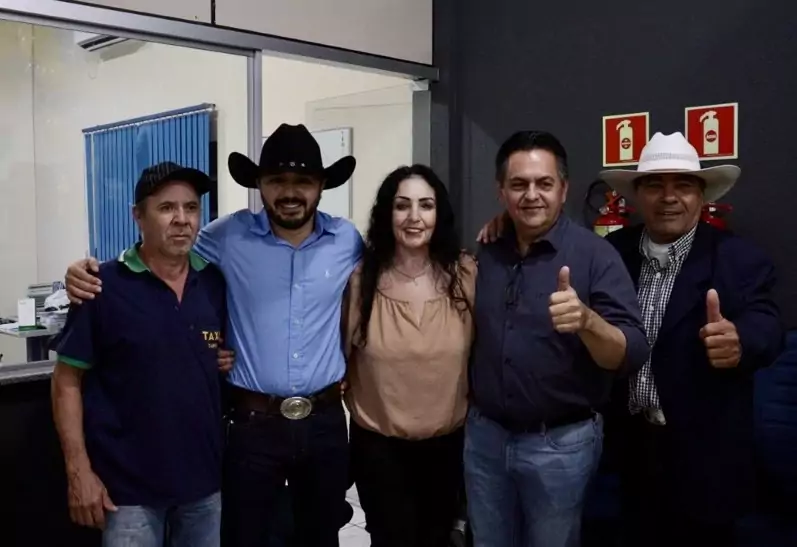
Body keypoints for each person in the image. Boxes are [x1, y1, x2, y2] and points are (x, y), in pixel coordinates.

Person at [62, 124, 362, 547]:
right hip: (253, 426)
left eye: (303, 182)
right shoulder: (225, 237)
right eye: (277, 180)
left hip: (326, 422)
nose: (290, 192)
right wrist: (83, 274)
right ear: (259, 185)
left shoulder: (347, 240)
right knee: (244, 536)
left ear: (321, 186)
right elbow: (159, 253)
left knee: (321, 535)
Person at [597, 132, 782, 547]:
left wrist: (742, 340)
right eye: (654, 186)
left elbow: (767, 323)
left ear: (701, 196)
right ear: (636, 195)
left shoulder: (739, 258)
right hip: (631, 453)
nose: (668, 198)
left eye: (682, 185)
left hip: (706, 459)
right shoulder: (613, 252)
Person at [466, 130, 649, 547]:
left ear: (563, 189)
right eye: (519, 184)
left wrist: (587, 321)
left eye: (544, 183)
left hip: (560, 446)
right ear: (501, 192)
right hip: (485, 439)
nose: (532, 195)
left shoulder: (595, 255)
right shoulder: (487, 250)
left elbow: (631, 351)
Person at [51, 161, 229, 547]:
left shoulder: (213, 282)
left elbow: (210, 354)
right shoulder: (102, 287)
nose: (182, 219)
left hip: (204, 486)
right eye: (166, 208)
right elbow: (66, 381)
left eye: (191, 208)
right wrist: (78, 470)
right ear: (138, 216)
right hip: (127, 492)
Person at [342, 165, 475, 547]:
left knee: (438, 539)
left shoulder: (465, 275)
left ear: (439, 214)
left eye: (426, 205)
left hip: (449, 447)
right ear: (388, 214)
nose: (414, 217)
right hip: (379, 450)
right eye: (403, 206)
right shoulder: (361, 281)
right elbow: (340, 358)